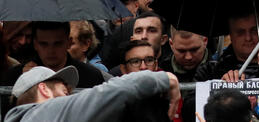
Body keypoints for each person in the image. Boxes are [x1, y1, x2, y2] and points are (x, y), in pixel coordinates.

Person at [6, 66, 180, 122]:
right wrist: (165, 78)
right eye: (64, 91)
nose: (70, 97)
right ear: (44, 90)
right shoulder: (42, 113)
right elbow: (116, 91)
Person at [0, 22, 107, 90]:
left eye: (57, 44)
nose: (51, 51)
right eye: (44, 44)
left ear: (68, 43)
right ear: (35, 44)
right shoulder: (16, 76)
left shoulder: (92, 76)